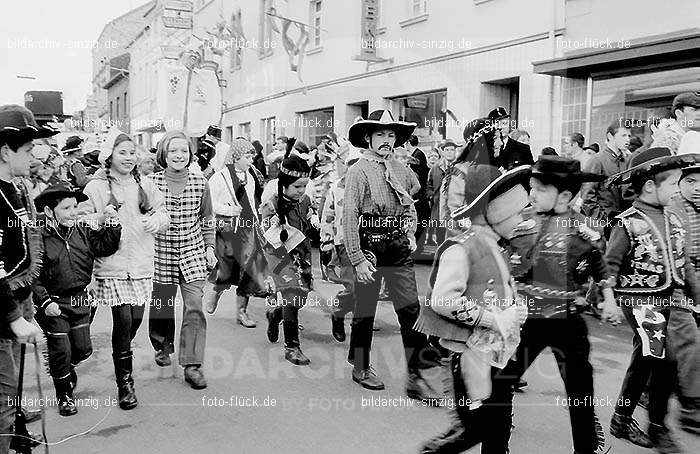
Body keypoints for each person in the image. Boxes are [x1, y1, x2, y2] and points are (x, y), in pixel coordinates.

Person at [487, 156, 615, 454]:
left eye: (539, 190)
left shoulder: (585, 229)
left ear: (566, 196)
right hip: (524, 321)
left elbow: (602, 267)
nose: (531, 195)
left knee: (580, 389)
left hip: (568, 322)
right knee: (500, 382)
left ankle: (585, 448)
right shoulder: (519, 222)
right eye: (531, 188)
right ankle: (495, 448)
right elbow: (496, 257)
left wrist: (609, 301)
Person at [416, 164, 530, 453]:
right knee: (473, 431)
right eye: (516, 212)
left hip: (495, 357)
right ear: (494, 212)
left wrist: (516, 308)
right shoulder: (461, 248)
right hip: (465, 358)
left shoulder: (497, 246)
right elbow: (443, 300)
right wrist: (493, 319)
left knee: (499, 430)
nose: (522, 219)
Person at [602, 147, 695, 452]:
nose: (677, 189)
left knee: (645, 361)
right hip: (637, 301)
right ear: (650, 186)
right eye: (673, 183)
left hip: (667, 299)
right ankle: (658, 427)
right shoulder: (626, 222)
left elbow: (685, 265)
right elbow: (610, 264)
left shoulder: (674, 221)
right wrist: (608, 299)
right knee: (664, 360)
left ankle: (622, 417)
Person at [343, 110, 439, 397]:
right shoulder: (358, 170)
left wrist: (409, 232)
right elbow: (349, 215)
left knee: (410, 310)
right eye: (380, 134)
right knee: (365, 311)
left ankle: (416, 377)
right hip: (369, 247)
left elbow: (411, 204)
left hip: (397, 247)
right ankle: (360, 365)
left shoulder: (402, 169)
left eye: (391, 135)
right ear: (368, 138)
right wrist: (357, 258)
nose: (386, 140)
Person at [80, 131, 170, 410]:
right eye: (122, 153)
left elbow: (164, 213)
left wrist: (157, 221)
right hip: (112, 265)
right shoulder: (95, 187)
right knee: (124, 321)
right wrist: (101, 217)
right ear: (110, 156)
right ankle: (125, 383)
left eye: (132, 153)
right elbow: (80, 221)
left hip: (142, 265)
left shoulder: (145, 184)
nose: (129, 158)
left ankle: (121, 352)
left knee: (135, 319)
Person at [32, 184, 121, 415]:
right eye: (66, 208)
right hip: (53, 304)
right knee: (61, 349)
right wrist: (44, 303)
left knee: (82, 350)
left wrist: (112, 223)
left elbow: (105, 246)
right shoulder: (38, 239)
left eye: (75, 207)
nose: (73, 212)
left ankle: (65, 368)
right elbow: (32, 277)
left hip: (81, 300)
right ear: (50, 211)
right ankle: (64, 395)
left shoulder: (82, 231)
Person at [0, 105, 56, 454]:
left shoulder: (15, 189)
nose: (33, 154)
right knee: (2, 402)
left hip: (20, 300)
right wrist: (14, 317)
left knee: (12, 390)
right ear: (6, 152)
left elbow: (23, 248)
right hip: (4, 310)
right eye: (27, 149)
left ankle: (16, 434)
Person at [148, 131, 216, 389]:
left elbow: (207, 219)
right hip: (160, 253)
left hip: (192, 252)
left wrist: (210, 249)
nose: (179, 155)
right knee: (162, 304)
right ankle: (162, 344)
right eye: (173, 150)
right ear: (164, 154)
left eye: (184, 151)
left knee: (194, 306)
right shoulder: (150, 183)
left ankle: (192, 364)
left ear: (190, 155)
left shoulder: (201, 183)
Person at [203, 138, 269, 327]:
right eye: (247, 157)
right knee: (226, 268)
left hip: (248, 229)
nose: (251, 161)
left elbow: (254, 201)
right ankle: (216, 293)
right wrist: (228, 210)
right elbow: (209, 203)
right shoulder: (219, 177)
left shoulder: (252, 177)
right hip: (228, 229)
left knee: (248, 270)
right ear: (236, 156)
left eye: (252, 157)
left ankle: (241, 312)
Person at [262, 150, 318, 365]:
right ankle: (292, 347)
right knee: (291, 294)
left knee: (301, 296)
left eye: (304, 186)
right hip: (279, 255)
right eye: (297, 186)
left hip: (302, 252)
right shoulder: (272, 204)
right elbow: (264, 231)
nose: (301, 191)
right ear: (284, 184)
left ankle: (275, 314)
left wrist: (315, 222)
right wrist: (274, 222)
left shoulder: (305, 200)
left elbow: (309, 216)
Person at [665, 157, 700, 435]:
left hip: (694, 275)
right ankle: (691, 405)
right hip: (674, 281)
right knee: (687, 338)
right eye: (691, 181)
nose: (698, 188)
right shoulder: (672, 210)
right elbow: (681, 259)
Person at [320, 147, 362, 342]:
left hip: (366, 243)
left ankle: (359, 321)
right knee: (352, 285)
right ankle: (339, 312)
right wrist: (326, 240)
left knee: (366, 285)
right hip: (343, 242)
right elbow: (328, 216)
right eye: (351, 165)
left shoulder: (370, 188)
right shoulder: (336, 187)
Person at [441, 118, 498, 237]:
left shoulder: (494, 170)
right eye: (495, 138)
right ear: (482, 142)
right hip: (466, 243)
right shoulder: (459, 172)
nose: (500, 143)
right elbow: (455, 213)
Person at [581, 121, 631, 236]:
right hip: (605, 226)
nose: (628, 140)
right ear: (610, 136)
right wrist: (604, 223)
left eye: (629, 136)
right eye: (623, 135)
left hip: (624, 225)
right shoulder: (596, 161)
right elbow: (587, 198)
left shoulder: (627, 161)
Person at [427, 139, 457, 245]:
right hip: (438, 204)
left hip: (454, 205)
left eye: (452, 150)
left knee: (454, 230)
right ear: (443, 152)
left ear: (455, 152)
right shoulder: (436, 167)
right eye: (447, 150)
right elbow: (429, 184)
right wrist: (431, 196)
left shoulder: (459, 167)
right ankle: (440, 252)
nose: (449, 152)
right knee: (440, 230)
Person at [406, 135, 431, 252]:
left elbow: (416, 180)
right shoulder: (418, 154)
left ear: (407, 143)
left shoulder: (416, 156)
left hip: (418, 196)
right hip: (419, 195)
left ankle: (417, 249)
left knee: (418, 222)